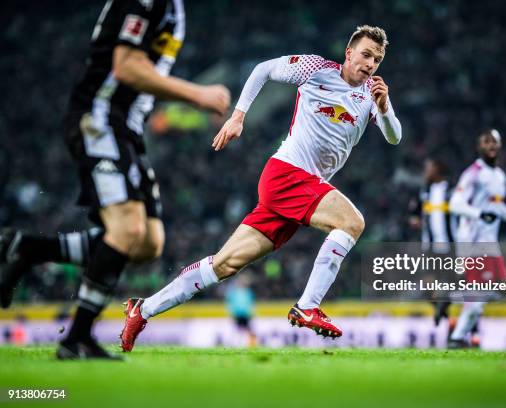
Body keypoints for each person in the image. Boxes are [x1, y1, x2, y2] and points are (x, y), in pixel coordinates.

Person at [120, 25, 402, 352]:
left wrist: (383, 106)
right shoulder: (317, 69)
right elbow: (263, 70)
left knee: (223, 265)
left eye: (377, 59)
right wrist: (237, 117)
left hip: (303, 186)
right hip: (287, 174)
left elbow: (394, 136)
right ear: (349, 53)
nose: (370, 63)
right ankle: (308, 306)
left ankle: (143, 309)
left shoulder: (372, 94)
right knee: (352, 222)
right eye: (366, 54)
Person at [0, 0, 230, 359]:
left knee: (148, 242)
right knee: (126, 230)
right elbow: (125, 67)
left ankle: (29, 249)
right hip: (100, 118)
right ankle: (75, 338)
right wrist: (195, 94)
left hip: (126, 129)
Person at [447, 129, 506, 348]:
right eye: (486, 142)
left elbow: (495, 205)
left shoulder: (499, 176)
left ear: (499, 145)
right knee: (479, 296)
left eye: (494, 142)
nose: (491, 145)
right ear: (479, 147)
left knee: (500, 286)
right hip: (472, 242)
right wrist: (478, 214)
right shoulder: (473, 173)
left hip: (490, 243)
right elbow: (455, 204)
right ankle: (458, 336)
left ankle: (456, 299)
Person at [408, 158, 455, 326]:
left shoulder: (451, 189)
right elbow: (414, 210)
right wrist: (414, 218)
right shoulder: (424, 190)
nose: (425, 171)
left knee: (452, 286)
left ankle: (448, 313)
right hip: (429, 245)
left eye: (428, 167)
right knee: (428, 288)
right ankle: (443, 310)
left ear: (437, 168)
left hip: (450, 246)